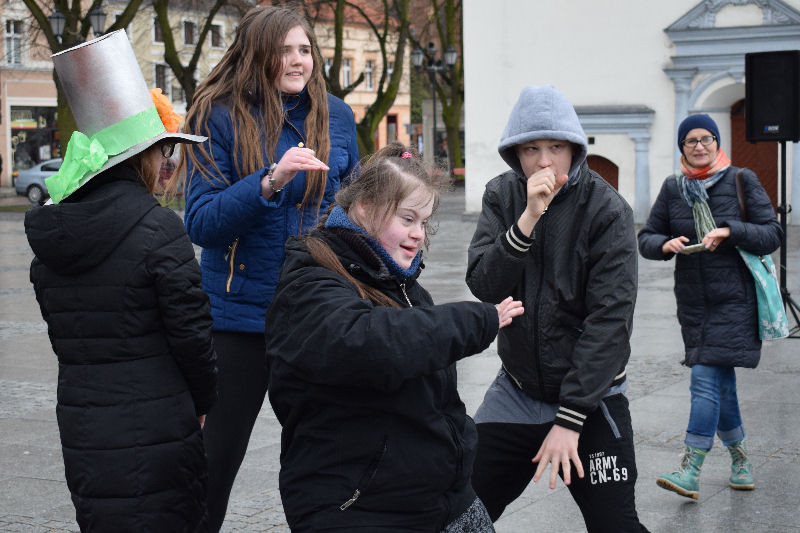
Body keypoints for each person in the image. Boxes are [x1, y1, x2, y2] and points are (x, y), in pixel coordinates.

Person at [265, 143, 523, 532]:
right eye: (407, 219)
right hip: (357, 506)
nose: (418, 235)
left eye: (424, 222)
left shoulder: (402, 285)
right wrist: (475, 319)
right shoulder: (311, 282)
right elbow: (369, 343)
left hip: (440, 500)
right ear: (365, 208)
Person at [24, 31, 216, 531]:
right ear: (142, 158)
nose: (167, 168)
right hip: (159, 421)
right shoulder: (159, 230)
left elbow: (64, 333)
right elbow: (193, 337)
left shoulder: (52, 235)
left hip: (84, 420)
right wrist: (203, 404)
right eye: (164, 155)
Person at [179, 6, 360, 530]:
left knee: (330, 462)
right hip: (238, 322)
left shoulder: (337, 115)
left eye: (305, 49)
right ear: (258, 53)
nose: (298, 60)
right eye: (285, 50)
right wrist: (269, 182)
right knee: (213, 465)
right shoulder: (217, 113)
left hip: (314, 316)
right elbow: (202, 223)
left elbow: (349, 208)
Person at [466, 85, 649, 532]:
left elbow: (610, 322)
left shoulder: (607, 209)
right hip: (517, 391)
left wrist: (570, 420)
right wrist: (527, 218)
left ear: (575, 149)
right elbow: (484, 283)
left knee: (616, 525)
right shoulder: (501, 195)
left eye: (556, 147)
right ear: (515, 152)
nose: (545, 162)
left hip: (592, 399)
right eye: (531, 149)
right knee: (458, 515)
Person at [638, 114, 782, 499]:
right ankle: (741, 461)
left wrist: (731, 231)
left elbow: (772, 233)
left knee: (704, 378)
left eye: (706, 139)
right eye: (690, 141)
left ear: (717, 143)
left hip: (735, 301)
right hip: (694, 304)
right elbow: (647, 237)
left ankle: (690, 468)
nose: (699, 146)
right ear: (682, 147)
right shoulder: (674, 189)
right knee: (722, 385)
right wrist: (664, 246)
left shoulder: (741, 179)